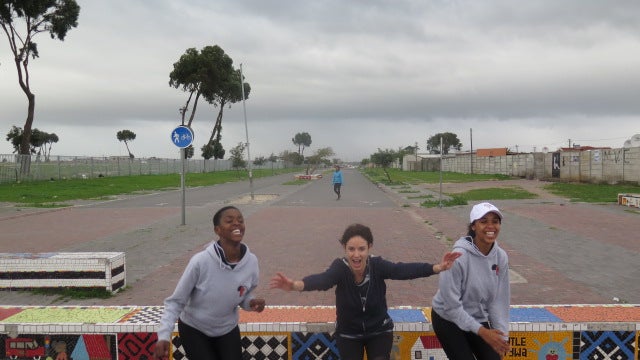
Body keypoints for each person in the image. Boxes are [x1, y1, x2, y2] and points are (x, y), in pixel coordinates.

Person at [270, 223, 461, 360]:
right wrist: (295, 285)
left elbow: (402, 270)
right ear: (344, 249)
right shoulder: (340, 268)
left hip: (379, 330)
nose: (356, 254)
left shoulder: (377, 266)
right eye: (351, 249)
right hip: (348, 333)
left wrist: (437, 267)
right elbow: (323, 280)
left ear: (369, 248)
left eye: (361, 249)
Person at [153, 206, 266, 360]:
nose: (236, 224)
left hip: (227, 328)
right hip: (195, 328)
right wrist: (164, 336)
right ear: (217, 230)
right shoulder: (200, 261)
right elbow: (176, 302)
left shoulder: (251, 262)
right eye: (229, 221)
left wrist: (251, 302)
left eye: (240, 220)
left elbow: (243, 294)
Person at [431, 202, 511, 360]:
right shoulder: (458, 257)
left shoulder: (500, 257)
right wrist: (483, 332)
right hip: (447, 317)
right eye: (483, 221)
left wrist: (502, 336)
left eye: (495, 221)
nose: (490, 226)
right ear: (473, 226)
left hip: (476, 317)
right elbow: (452, 307)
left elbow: (499, 300)